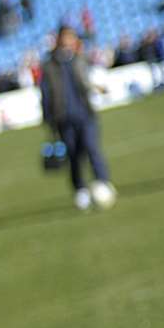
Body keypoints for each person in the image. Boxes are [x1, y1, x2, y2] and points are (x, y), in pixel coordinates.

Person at [39, 26, 116, 212]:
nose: (69, 41)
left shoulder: (79, 59)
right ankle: (80, 189)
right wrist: (48, 118)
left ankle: (102, 182)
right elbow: (46, 93)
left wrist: (96, 88)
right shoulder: (49, 65)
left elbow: (85, 81)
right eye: (66, 37)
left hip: (85, 114)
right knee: (74, 155)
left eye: (72, 37)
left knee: (92, 148)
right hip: (63, 117)